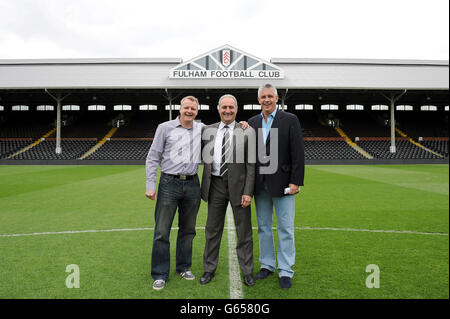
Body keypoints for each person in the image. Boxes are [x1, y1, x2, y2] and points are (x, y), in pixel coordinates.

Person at [247, 84, 305, 290]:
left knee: (285, 228)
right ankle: (267, 264)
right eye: (263, 96)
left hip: (283, 184)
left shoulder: (290, 120)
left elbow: (297, 152)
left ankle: (286, 270)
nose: (267, 99)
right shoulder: (253, 122)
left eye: (270, 96)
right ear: (258, 100)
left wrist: (295, 181)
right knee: (263, 227)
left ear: (277, 98)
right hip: (260, 185)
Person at [145, 96, 203, 291]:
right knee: (162, 230)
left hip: (193, 183)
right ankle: (160, 273)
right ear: (180, 109)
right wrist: (150, 184)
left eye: (193, 109)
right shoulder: (165, 127)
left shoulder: (201, 129)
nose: (189, 111)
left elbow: (224, 128)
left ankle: (183, 267)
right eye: (186, 107)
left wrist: (243, 124)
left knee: (188, 229)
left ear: (197, 111)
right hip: (169, 182)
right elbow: (153, 157)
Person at [199, 94, 256, 287]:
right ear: (218, 109)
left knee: (244, 232)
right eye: (224, 107)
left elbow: (251, 165)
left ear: (236, 109)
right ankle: (209, 269)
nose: (228, 111)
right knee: (212, 230)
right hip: (215, 185)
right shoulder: (207, 130)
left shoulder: (246, 131)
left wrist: (248, 191)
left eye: (231, 107)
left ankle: (247, 271)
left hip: (239, 188)